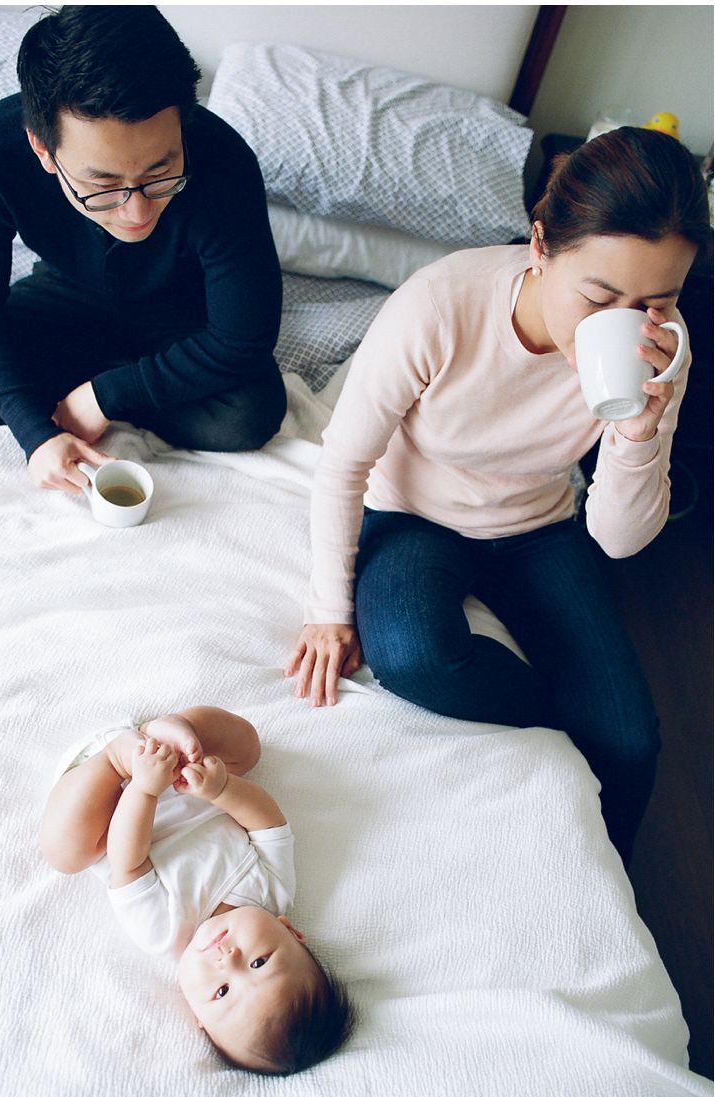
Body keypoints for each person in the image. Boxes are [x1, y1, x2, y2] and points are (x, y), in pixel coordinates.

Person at [285, 127, 709, 863]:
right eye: (601, 296)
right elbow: (344, 460)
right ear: (542, 246)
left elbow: (618, 539)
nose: (628, 322)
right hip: (413, 510)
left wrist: (641, 426)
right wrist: (327, 612)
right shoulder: (443, 305)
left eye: (655, 300)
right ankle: (562, 741)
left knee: (636, 741)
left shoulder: (661, 347)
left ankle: (606, 882)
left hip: (540, 521)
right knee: (414, 652)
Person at [0, 5, 286, 495]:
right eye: (103, 185)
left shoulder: (224, 159)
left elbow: (242, 340)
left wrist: (103, 397)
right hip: (65, 297)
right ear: (42, 150)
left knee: (248, 415)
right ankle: (105, 389)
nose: (136, 214)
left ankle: (91, 387)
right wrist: (36, 434)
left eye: (161, 173)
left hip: (179, 314)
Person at [40, 708, 349, 1074]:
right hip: (188, 771)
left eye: (221, 992)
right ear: (292, 933)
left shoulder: (163, 933)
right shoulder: (273, 892)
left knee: (66, 851)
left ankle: (116, 755)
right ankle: (161, 730)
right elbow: (267, 821)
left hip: (113, 802)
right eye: (259, 962)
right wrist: (222, 789)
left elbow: (128, 862)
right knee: (246, 747)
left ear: (196, 1013)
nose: (227, 959)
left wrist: (142, 788)